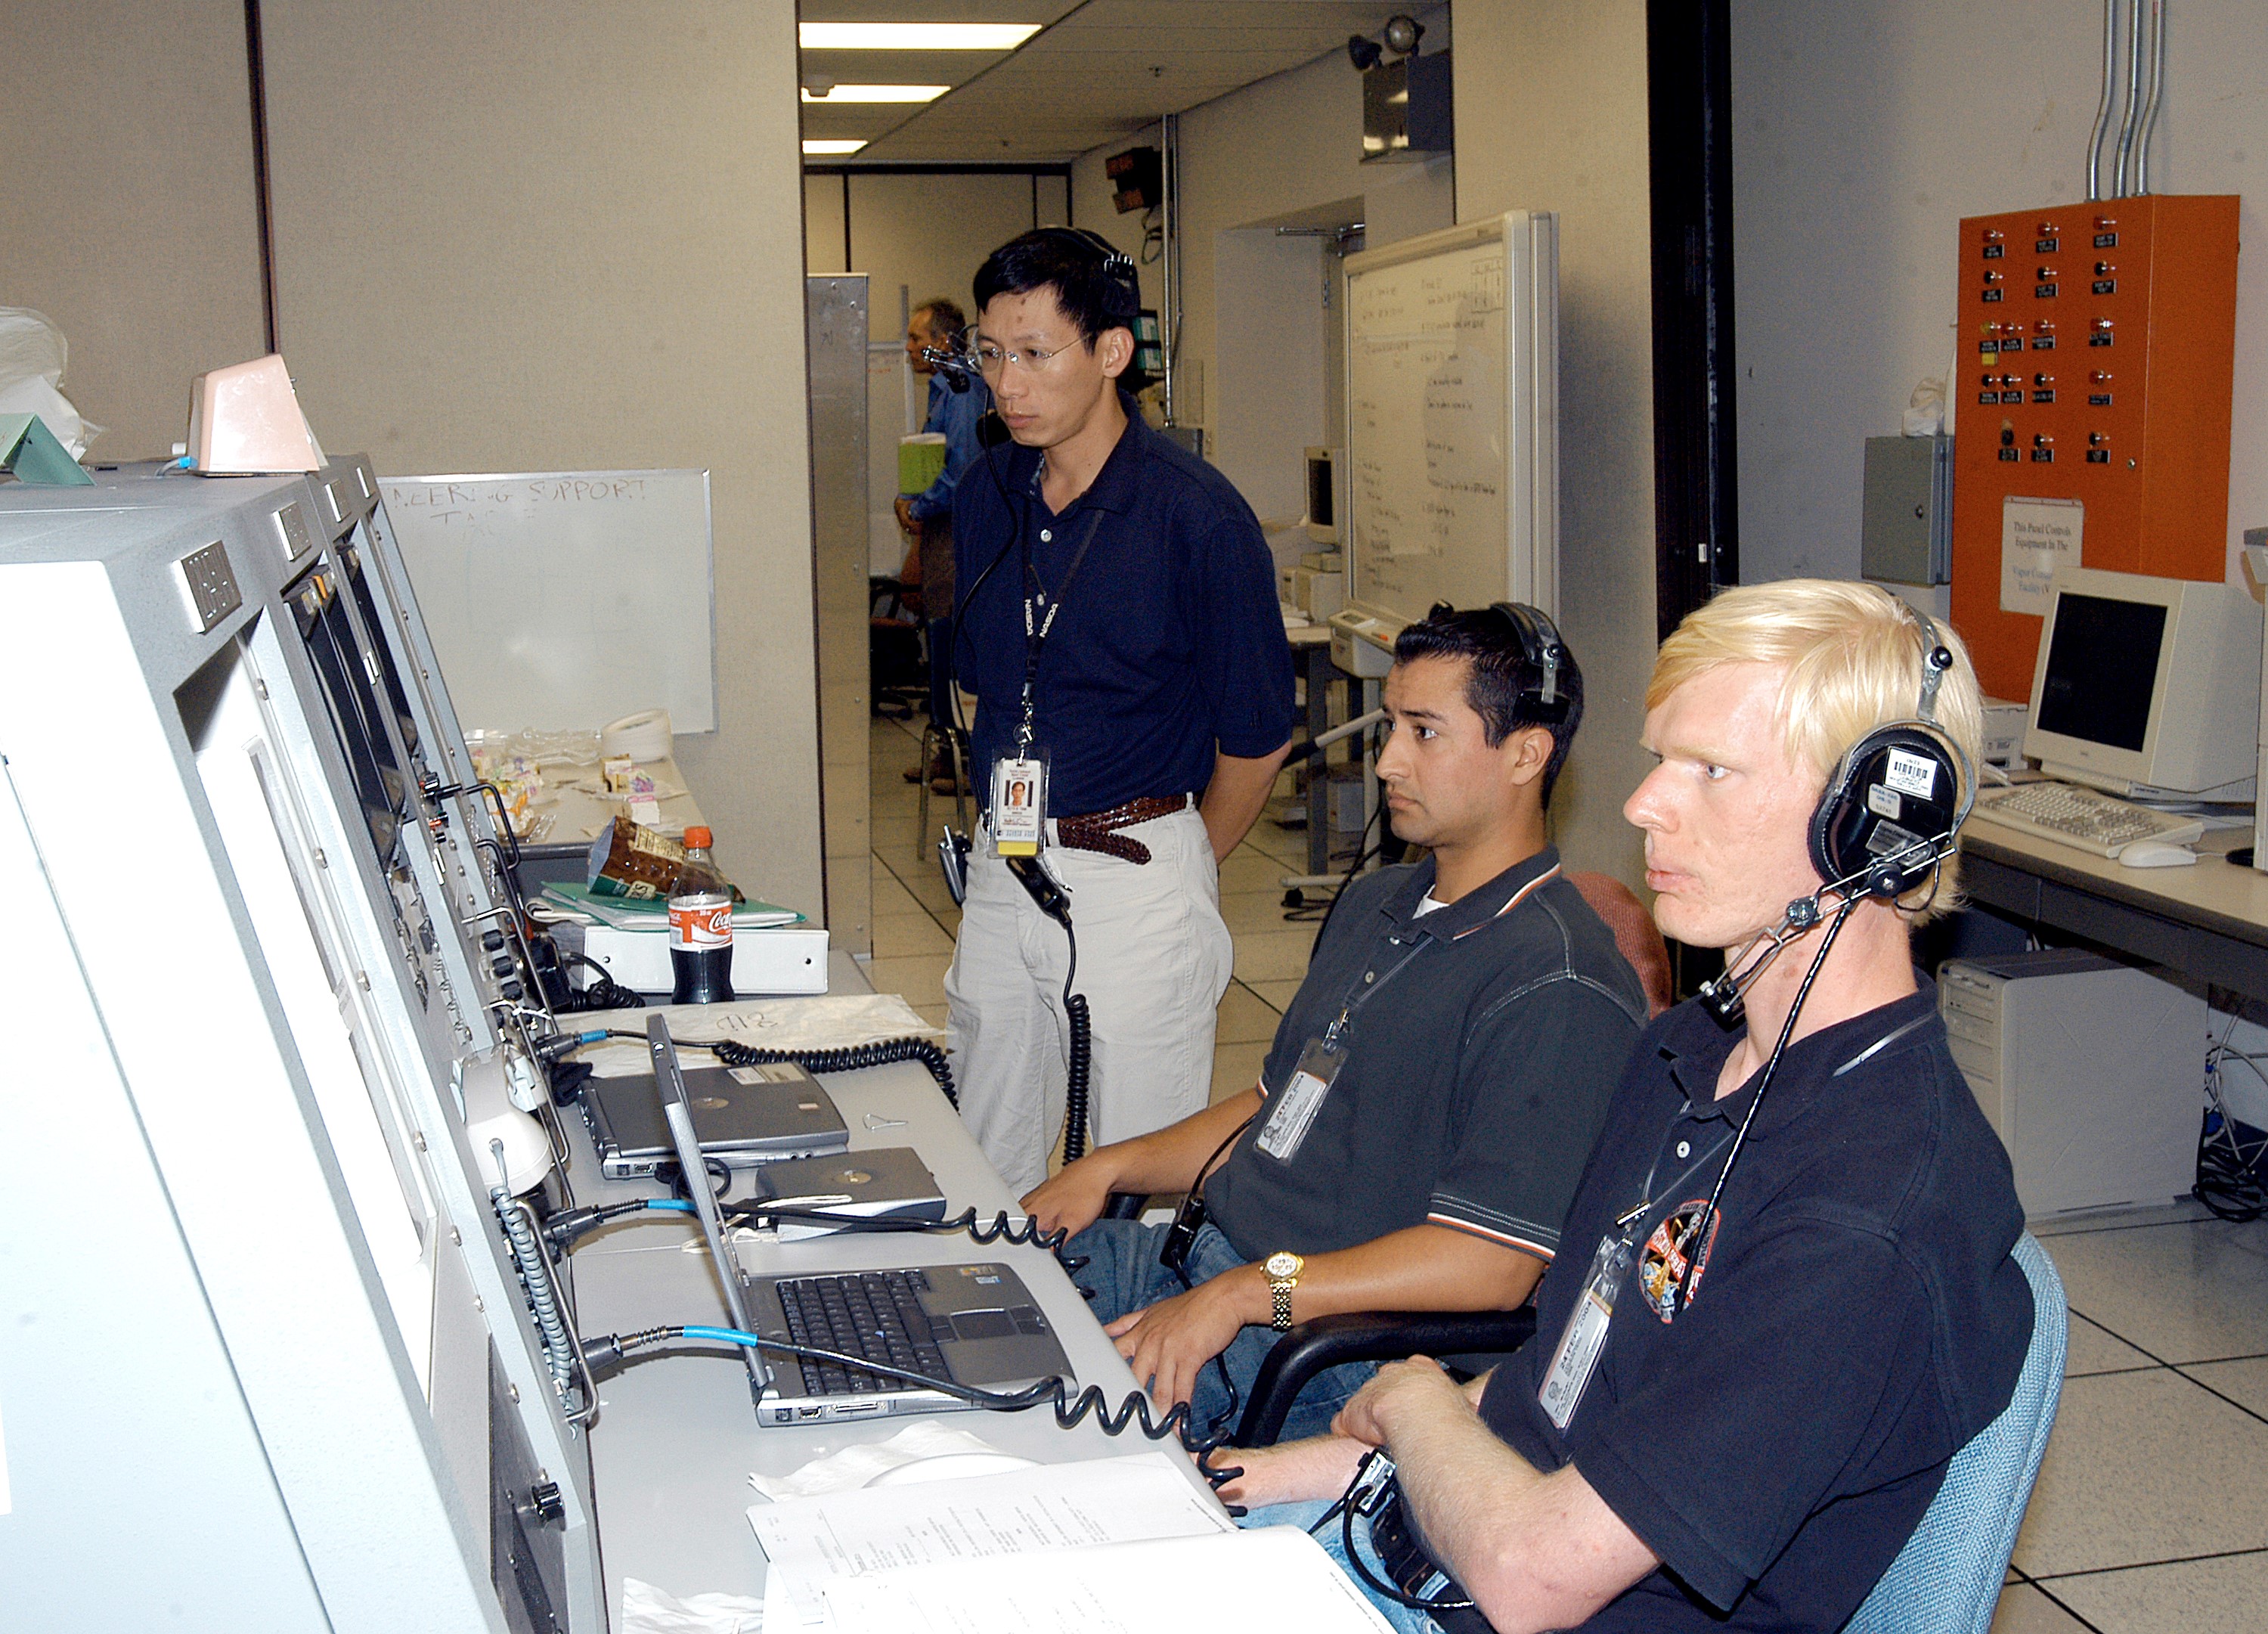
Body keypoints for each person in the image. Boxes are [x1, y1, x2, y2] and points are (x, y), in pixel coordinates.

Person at [1226, 581, 2036, 1634]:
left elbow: (1530, 1576)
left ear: (1875, 823)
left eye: (1711, 770)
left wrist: (1416, 1401)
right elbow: (1548, 1400)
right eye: (1661, 760)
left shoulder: (1870, 1207)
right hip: (1436, 1551)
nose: (1643, 803)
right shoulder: (1684, 1053)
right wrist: (1242, 1482)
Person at [1024, 604, 1647, 1442]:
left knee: (1014, 1431)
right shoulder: (1376, 903)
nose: (1387, 759)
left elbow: (1490, 1267)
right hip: (1200, 1269)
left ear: (1526, 754)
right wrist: (1109, 1165)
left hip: (1320, 1348)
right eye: (1393, 725)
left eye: (1425, 732)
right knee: (961, 1302)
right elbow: (1272, 1101)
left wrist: (1250, 1291)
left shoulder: (1556, 980)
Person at [944, 227, 1296, 1197]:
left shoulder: (1197, 518)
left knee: (1128, 1174)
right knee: (986, 1146)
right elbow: (985, 679)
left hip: (1136, 865)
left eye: (1034, 354)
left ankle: (1123, 1346)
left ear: (1110, 351)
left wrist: (1171, 861)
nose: (1006, 384)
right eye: (990, 354)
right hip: (1002, 861)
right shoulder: (988, 492)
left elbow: (1258, 741)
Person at [895, 297, 986, 789]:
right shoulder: (941, 392)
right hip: (939, 528)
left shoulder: (964, 390)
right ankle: (942, 752)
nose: (909, 348)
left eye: (917, 339)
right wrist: (908, 500)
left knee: (954, 641)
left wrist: (921, 507)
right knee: (939, 638)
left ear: (944, 343)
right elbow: (932, 461)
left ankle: (966, 756)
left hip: (959, 532)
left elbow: (962, 474)